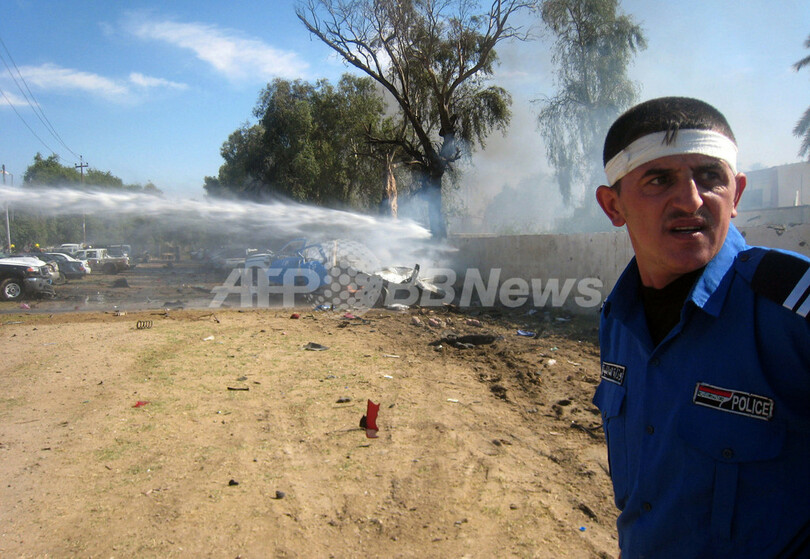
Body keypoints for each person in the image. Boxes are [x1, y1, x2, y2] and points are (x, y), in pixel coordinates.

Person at [593, 96, 810, 559]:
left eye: (711, 176)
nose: (691, 200)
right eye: (659, 179)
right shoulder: (618, 319)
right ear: (613, 205)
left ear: (737, 195)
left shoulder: (791, 308)